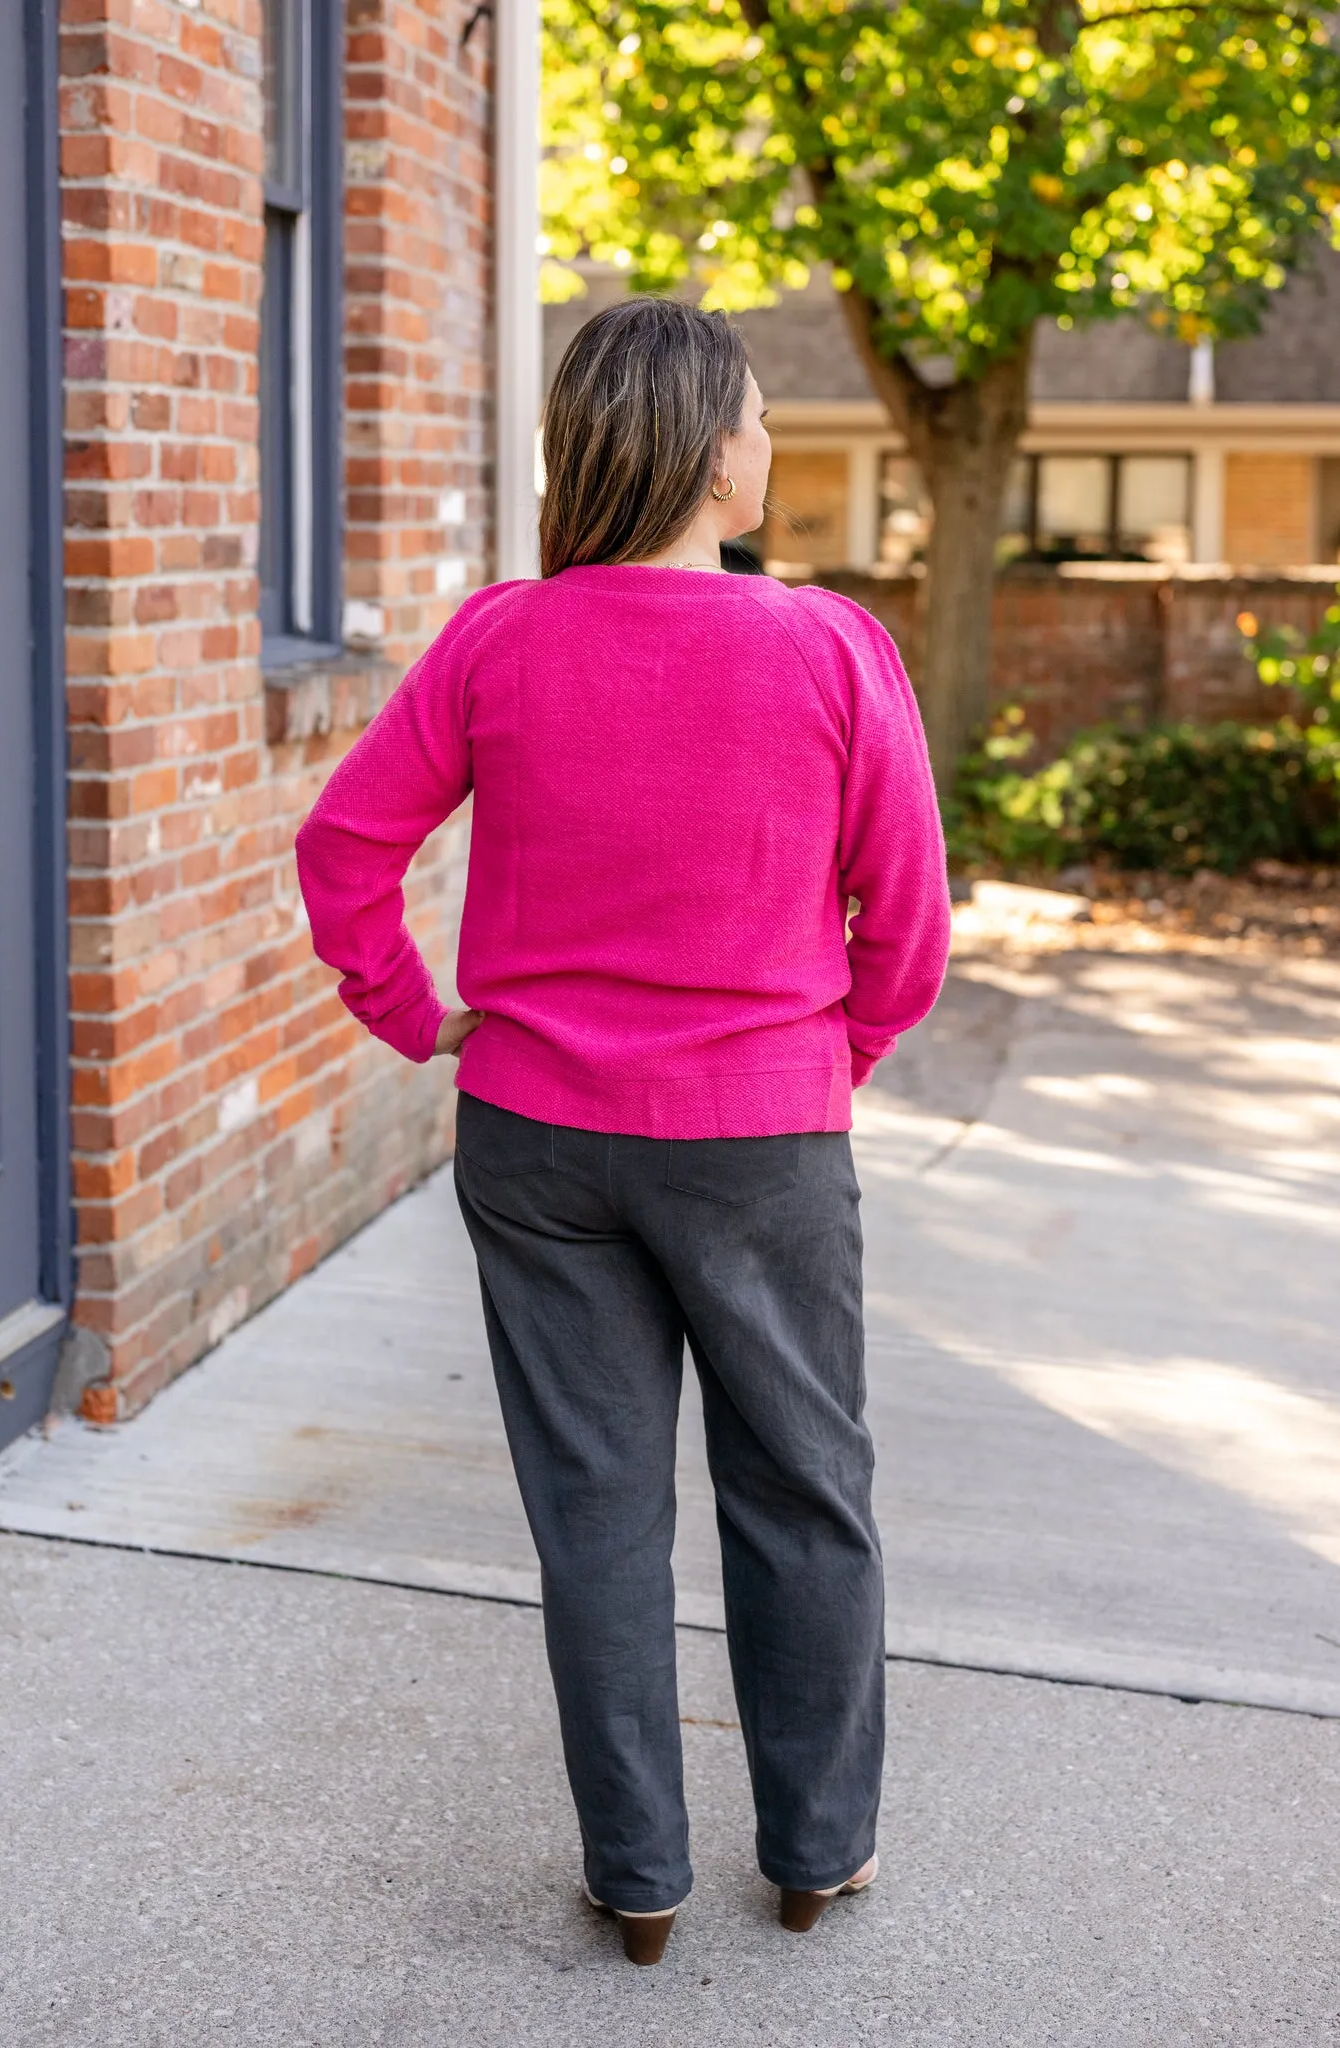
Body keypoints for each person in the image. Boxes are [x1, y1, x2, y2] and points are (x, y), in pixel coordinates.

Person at [295, 297, 951, 1967]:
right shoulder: (827, 648)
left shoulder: (498, 641)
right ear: (711, 457)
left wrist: (415, 1012)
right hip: (762, 1138)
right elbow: (913, 923)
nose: (771, 444)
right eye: (755, 418)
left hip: (536, 1134)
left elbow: (341, 850)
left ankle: (640, 1880)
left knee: (594, 1511)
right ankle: (815, 1855)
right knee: (804, 1488)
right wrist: (827, 1060)